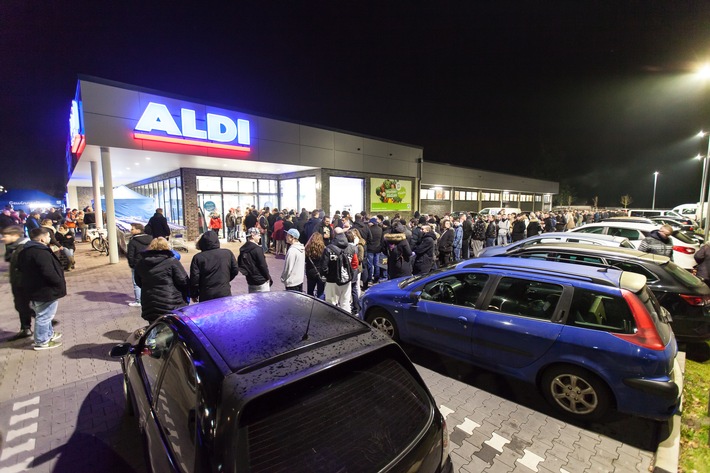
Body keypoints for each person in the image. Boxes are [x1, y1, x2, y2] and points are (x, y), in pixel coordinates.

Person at [16, 227, 65, 350]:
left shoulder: (25, 251)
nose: (50, 238)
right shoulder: (41, 253)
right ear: (42, 239)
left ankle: (48, 334)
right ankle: (42, 341)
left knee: (44, 314)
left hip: (34, 289)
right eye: (48, 236)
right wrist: (58, 283)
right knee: (44, 316)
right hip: (45, 290)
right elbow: (48, 272)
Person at [134, 237, 189, 323]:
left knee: (154, 326)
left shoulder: (141, 263)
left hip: (149, 302)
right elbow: (183, 280)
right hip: (170, 302)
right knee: (173, 328)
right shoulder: (172, 261)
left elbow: (138, 281)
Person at [2, 225, 34, 340]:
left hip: (23, 283)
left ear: (15, 235)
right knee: (21, 305)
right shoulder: (12, 247)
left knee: (23, 305)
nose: (3, 238)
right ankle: (25, 328)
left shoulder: (23, 248)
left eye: (6, 236)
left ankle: (44, 322)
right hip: (17, 282)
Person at [190, 230, 239, 302]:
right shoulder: (227, 253)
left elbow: (194, 279)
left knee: (208, 313)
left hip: (206, 294)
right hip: (224, 292)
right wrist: (225, 280)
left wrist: (194, 294)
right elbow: (235, 270)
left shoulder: (198, 258)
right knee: (224, 312)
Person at [320, 227, 357, 311]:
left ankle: (332, 321)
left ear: (334, 234)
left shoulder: (328, 248)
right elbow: (355, 264)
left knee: (331, 303)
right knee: (345, 302)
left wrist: (326, 275)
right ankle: (346, 321)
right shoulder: (351, 248)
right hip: (347, 279)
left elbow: (324, 266)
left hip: (332, 280)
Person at [238, 227, 272, 293]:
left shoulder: (243, 250)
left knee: (254, 301)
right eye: (258, 235)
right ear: (253, 235)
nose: (259, 237)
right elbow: (263, 265)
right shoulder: (257, 249)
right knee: (263, 301)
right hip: (261, 280)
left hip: (250, 280)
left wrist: (248, 274)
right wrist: (268, 277)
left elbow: (241, 265)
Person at [126, 223, 152, 307]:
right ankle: (149, 299)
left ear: (138, 230)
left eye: (132, 229)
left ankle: (139, 301)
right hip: (149, 263)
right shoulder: (151, 239)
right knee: (149, 281)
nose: (131, 230)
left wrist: (132, 265)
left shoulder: (133, 241)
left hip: (137, 265)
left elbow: (130, 255)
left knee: (137, 283)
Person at [304, 232, 327, 299]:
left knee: (310, 291)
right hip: (321, 272)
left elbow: (305, 260)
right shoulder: (324, 249)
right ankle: (320, 306)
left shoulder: (308, 249)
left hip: (310, 271)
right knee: (321, 292)